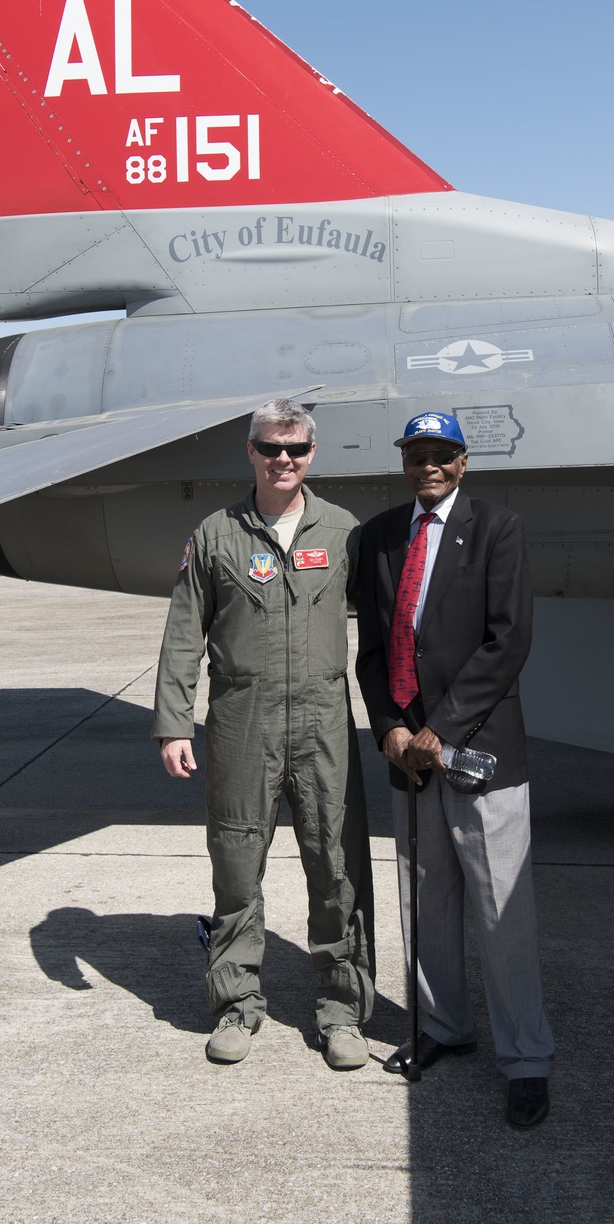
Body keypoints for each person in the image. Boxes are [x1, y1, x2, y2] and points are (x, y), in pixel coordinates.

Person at [152, 398, 375, 1068]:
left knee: (337, 866)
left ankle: (342, 1013)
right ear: (249, 451)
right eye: (271, 448)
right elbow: (184, 635)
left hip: (324, 721)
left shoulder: (342, 531)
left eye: (296, 449)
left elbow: (389, 625)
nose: (284, 460)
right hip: (243, 721)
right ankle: (236, 1005)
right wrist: (172, 724)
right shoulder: (216, 535)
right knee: (237, 864)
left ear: (312, 454)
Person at [355, 411, 554, 1127]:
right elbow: (373, 650)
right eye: (417, 454)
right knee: (424, 903)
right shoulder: (377, 537)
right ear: (405, 462)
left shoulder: (498, 529)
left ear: (463, 462)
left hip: (479, 752)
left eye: (442, 454)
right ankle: (443, 1026)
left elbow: (508, 642)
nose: (429, 466)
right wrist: (390, 729)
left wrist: (439, 730)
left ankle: (526, 1058)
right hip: (409, 759)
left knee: (503, 910)